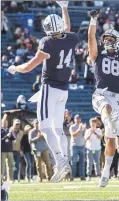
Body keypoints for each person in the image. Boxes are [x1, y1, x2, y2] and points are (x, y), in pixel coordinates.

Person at [8, 1, 79, 183]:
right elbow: (68, 27)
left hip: (50, 88)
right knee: (58, 128)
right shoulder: (71, 38)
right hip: (64, 89)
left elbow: (30, 66)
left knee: (46, 128)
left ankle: (61, 161)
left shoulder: (47, 42)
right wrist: (64, 7)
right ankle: (64, 159)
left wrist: (15, 67)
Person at [87, 10, 119, 187]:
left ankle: (106, 170)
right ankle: (107, 117)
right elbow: (91, 39)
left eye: (111, 39)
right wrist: (93, 20)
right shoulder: (97, 54)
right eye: (106, 39)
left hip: (117, 96)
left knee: (110, 138)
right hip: (101, 93)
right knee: (107, 111)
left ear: (117, 42)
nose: (107, 41)